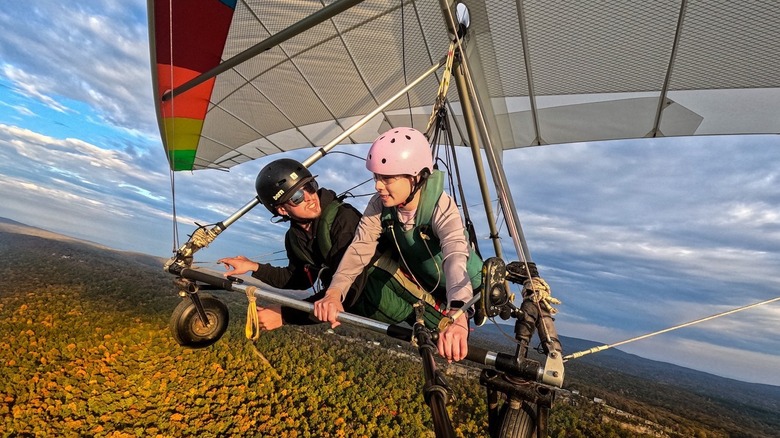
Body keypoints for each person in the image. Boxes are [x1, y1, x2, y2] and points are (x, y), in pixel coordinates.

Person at [314, 127, 483, 362]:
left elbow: (454, 255)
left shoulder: (440, 206)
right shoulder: (380, 205)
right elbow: (360, 248)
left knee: (464, 280)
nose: (378, 186)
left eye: (388, 178)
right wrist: (334, 293)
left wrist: (459, 313)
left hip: (463, 282)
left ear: (415, 177)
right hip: (428, 281)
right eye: (377, 177)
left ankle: (477, 304)